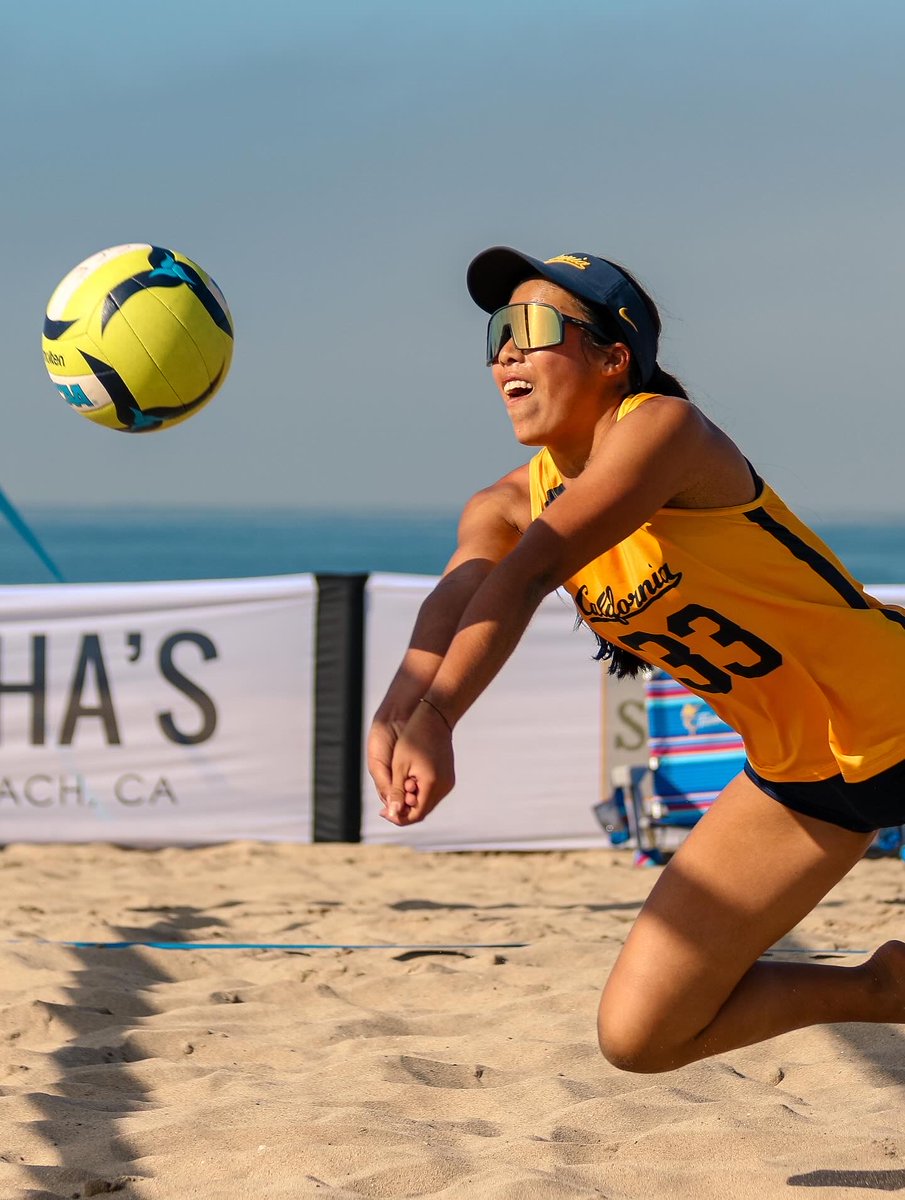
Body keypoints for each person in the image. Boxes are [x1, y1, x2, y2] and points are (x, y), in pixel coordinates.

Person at [367, 246, 905, 1074]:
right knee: (641, 1036)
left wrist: (439, 715)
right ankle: (882, 992)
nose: (505, 351)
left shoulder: (663, 430)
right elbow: (460, 594)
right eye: (494, 334)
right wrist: (399, 709)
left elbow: (529, 571)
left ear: (614, 358)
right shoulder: (506, 500)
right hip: (801, 777)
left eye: (532, 328)